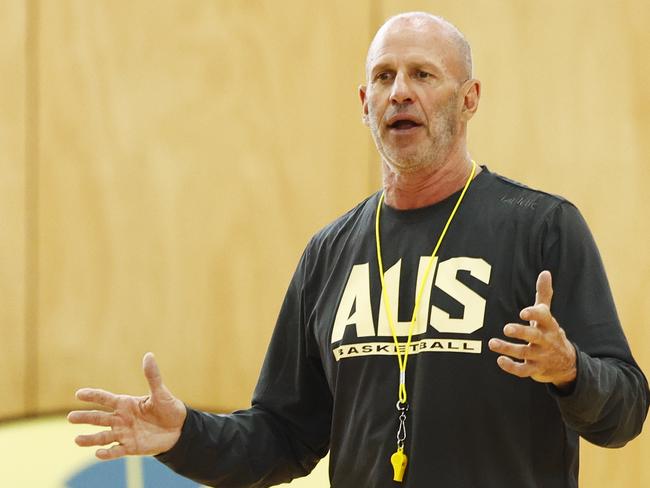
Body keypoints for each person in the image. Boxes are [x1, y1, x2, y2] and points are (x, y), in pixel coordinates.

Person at [68, 12, 649, 488]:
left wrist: (572, 372)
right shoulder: (330, 253)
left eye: (423, 74)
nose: (400, 92)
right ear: (364, 102)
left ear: (469, 99)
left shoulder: (542, 227)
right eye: (384, 76)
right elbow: (284, 435)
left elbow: (626, 412)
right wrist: (184, 435)